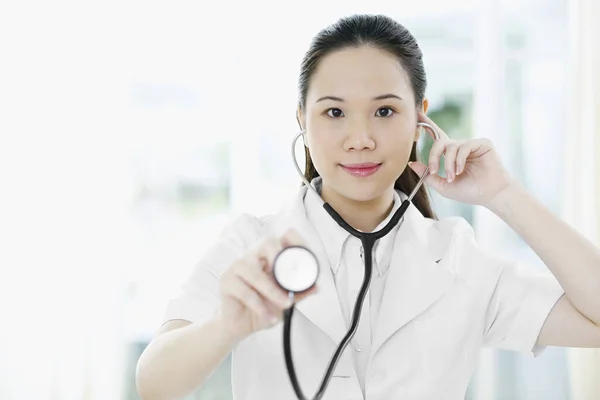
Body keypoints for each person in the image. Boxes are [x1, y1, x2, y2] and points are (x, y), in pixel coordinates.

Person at [135, 14, 600, 400]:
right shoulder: (251, 244)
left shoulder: (459, 259)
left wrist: (504, 195)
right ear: (302, 118)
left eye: (384, 111)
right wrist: (225, 326)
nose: (360, 140)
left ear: (421, 116)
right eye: (334, 112)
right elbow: (153, 383)